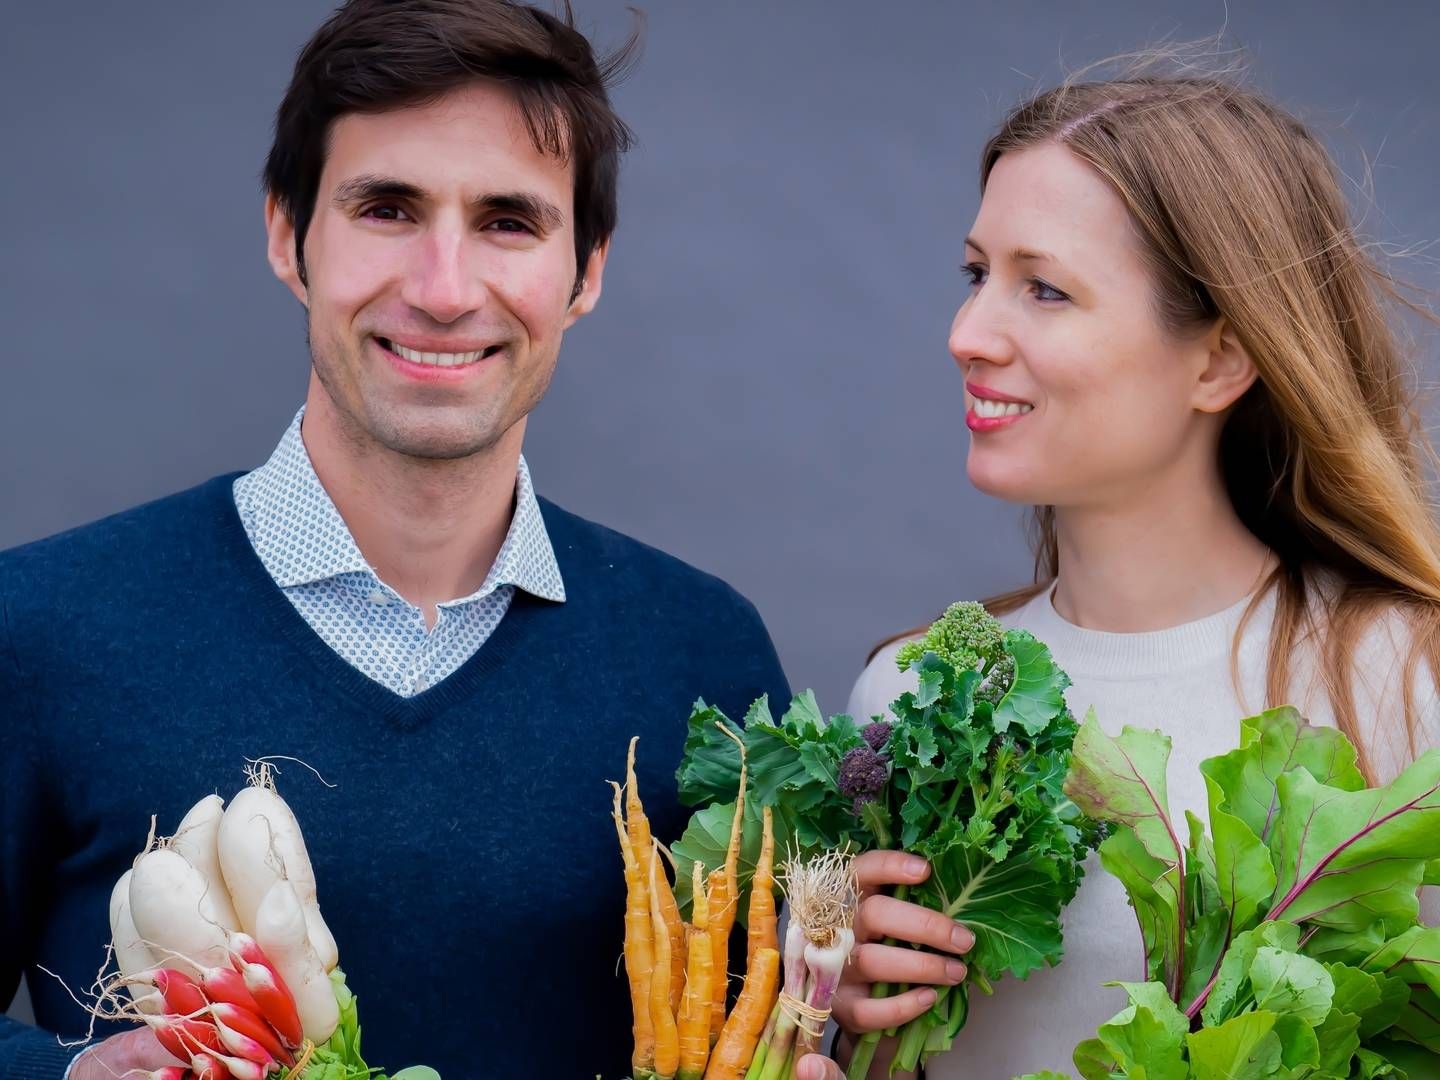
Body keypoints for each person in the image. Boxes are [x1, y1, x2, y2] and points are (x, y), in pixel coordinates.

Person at [0, 3, 790, 1078]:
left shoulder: (705, 658)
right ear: (288, 234)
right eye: (387, 208)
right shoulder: (42, 628)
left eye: (509, 221)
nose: (443, 289)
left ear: (587, 271)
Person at [813, 64, 1440, 1079]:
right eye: (978, 275)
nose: (967, 336)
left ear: (1219, 361)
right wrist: (830, 1010)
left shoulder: (1405, 685)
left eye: (1044, 288)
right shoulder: (911, 692)